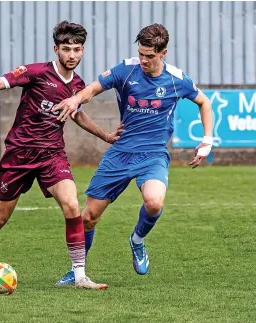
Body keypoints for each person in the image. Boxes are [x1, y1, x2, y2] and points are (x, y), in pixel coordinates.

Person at [0, 21, 124, 290]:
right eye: (66, 49)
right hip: (19, 155)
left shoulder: (77, 85)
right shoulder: (36, 72)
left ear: (82, 51)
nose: (72, 55)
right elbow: (3, 81)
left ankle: (80, 275)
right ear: (56, 49)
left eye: (77, 49)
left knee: (71, 205)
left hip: (52, 155)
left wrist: (105, 136)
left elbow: (77, 114)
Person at [54, 23, 214, 286]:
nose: (143, 60)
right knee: (88, 217)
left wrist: (206, 141)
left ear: (163, 53)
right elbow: (92, 88)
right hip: (120, 152)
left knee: (154, 202)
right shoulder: (125, 70)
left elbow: (204, 103)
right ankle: (77, 271)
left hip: (153, 154)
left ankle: (137, 240)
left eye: (149, 56)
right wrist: (75, 99)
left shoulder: (177, 79)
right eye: (141, 53)